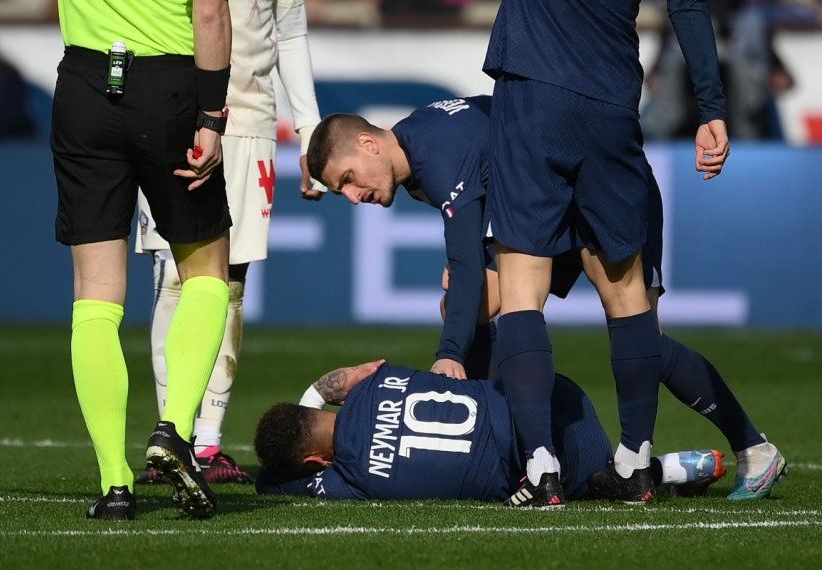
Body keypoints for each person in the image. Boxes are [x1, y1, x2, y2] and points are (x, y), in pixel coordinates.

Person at [306, 96, 785, 504]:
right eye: (339, 191)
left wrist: (448, 356)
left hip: (600, 189)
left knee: (644, 344)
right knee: (465, 306)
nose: (352, 196)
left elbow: (470, 260)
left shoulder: (435, 153)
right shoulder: (419, 143)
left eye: (348, 178)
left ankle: (753, 448)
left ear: (368, 143)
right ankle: (519, 450)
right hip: (551, 206)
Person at [481, 0, 735, 506]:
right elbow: (686, 6)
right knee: (626, 291)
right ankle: (635, 464)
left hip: (533, 89)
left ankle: (540, 466)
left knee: (521, 284)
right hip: (611, 103)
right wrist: (711, 109)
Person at [52, 0, 234, 520]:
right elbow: (211, 14)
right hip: (169, 87)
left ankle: (114, 485)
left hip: (85, 85)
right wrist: (211, 117)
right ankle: (174, 429)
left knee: (95, 296)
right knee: (205, 272)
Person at [135, 0, 324, 486]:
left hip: (250, 120)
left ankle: (208, 442)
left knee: (231, 284)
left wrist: (309, 131)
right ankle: (171, 433)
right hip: (175, 113)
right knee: (175, 277)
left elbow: (290, 32)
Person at [254, 361, 726, 502]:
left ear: (316, 459)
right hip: (554, 393)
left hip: (551, 467)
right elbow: (351, 375)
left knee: (588, 487)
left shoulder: (349, 477)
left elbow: (278, 482)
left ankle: (659, 470)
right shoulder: (380, 378)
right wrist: (317, 389)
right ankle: (642, 466)